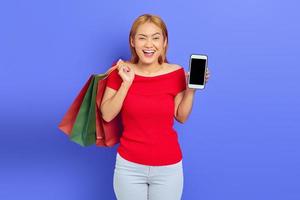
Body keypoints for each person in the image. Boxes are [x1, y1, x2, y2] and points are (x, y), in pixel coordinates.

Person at [100, 13, 210, 200]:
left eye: (155, 38)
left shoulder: (176, 73)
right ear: (133, 41)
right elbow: (107, 115)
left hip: (168, 168)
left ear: (164, 42)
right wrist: (126, 83)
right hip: (129, 167)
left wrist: (191, 90)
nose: (149, 44)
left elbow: (181, 117)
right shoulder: (120, 71)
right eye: (142, 38)